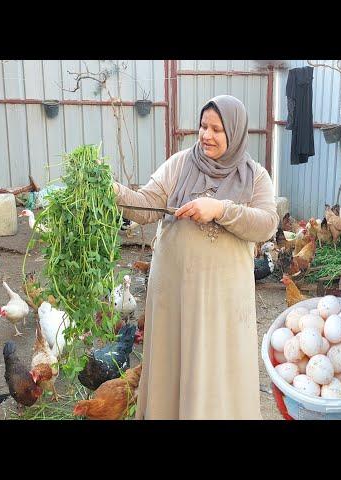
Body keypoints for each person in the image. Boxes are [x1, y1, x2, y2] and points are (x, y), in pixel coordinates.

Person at [113, 95, 278, 419]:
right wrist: (113, 190)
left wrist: (220, 209)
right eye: (203, 126)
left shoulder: (254, 176)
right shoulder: (180, 164)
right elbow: (146, 205)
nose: (206, 135)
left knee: (216, 368)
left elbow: (267, 224)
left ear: (235, 131)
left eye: (216, 128)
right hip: (173, 295)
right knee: (172, 366)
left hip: (222, 303)